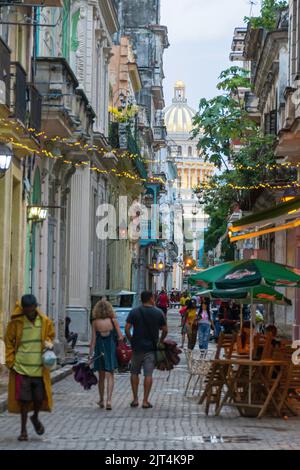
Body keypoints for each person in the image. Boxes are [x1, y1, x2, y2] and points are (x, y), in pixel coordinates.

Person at [5, 294, 55, 442]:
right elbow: (9, 341)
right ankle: (23, 431)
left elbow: (50, 336)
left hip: (39, 369)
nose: (29, 311)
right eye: (26, 308)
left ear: (35, 307)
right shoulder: (16, 323)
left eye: (31, 308)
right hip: (21, 369)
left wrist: (48, 342)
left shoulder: (44, 322)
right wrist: (11, 362)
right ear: (23, 308)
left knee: (39, 398)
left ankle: (35, 417)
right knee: (24, 401)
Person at [125, 291, 168, 409]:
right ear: (150, 298)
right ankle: (145, 400)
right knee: (148, 374)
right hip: (151, 348)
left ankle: (135, 399)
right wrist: (161, 340)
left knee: (134, 372)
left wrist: (131, 340)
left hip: (137, 347)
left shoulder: (134, 312)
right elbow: (165, 329)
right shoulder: (158, 312)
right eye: (153, 297)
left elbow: (127, 329)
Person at [89, 300, 124, 410]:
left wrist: (90, 355)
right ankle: (109, 400)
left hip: (100, 350)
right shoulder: (113, 321)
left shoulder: (95, 322)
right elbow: (120, 337)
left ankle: (101, 400)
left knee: (101, 376)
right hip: (111, 349)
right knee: (111, 375)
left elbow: (93, 340)